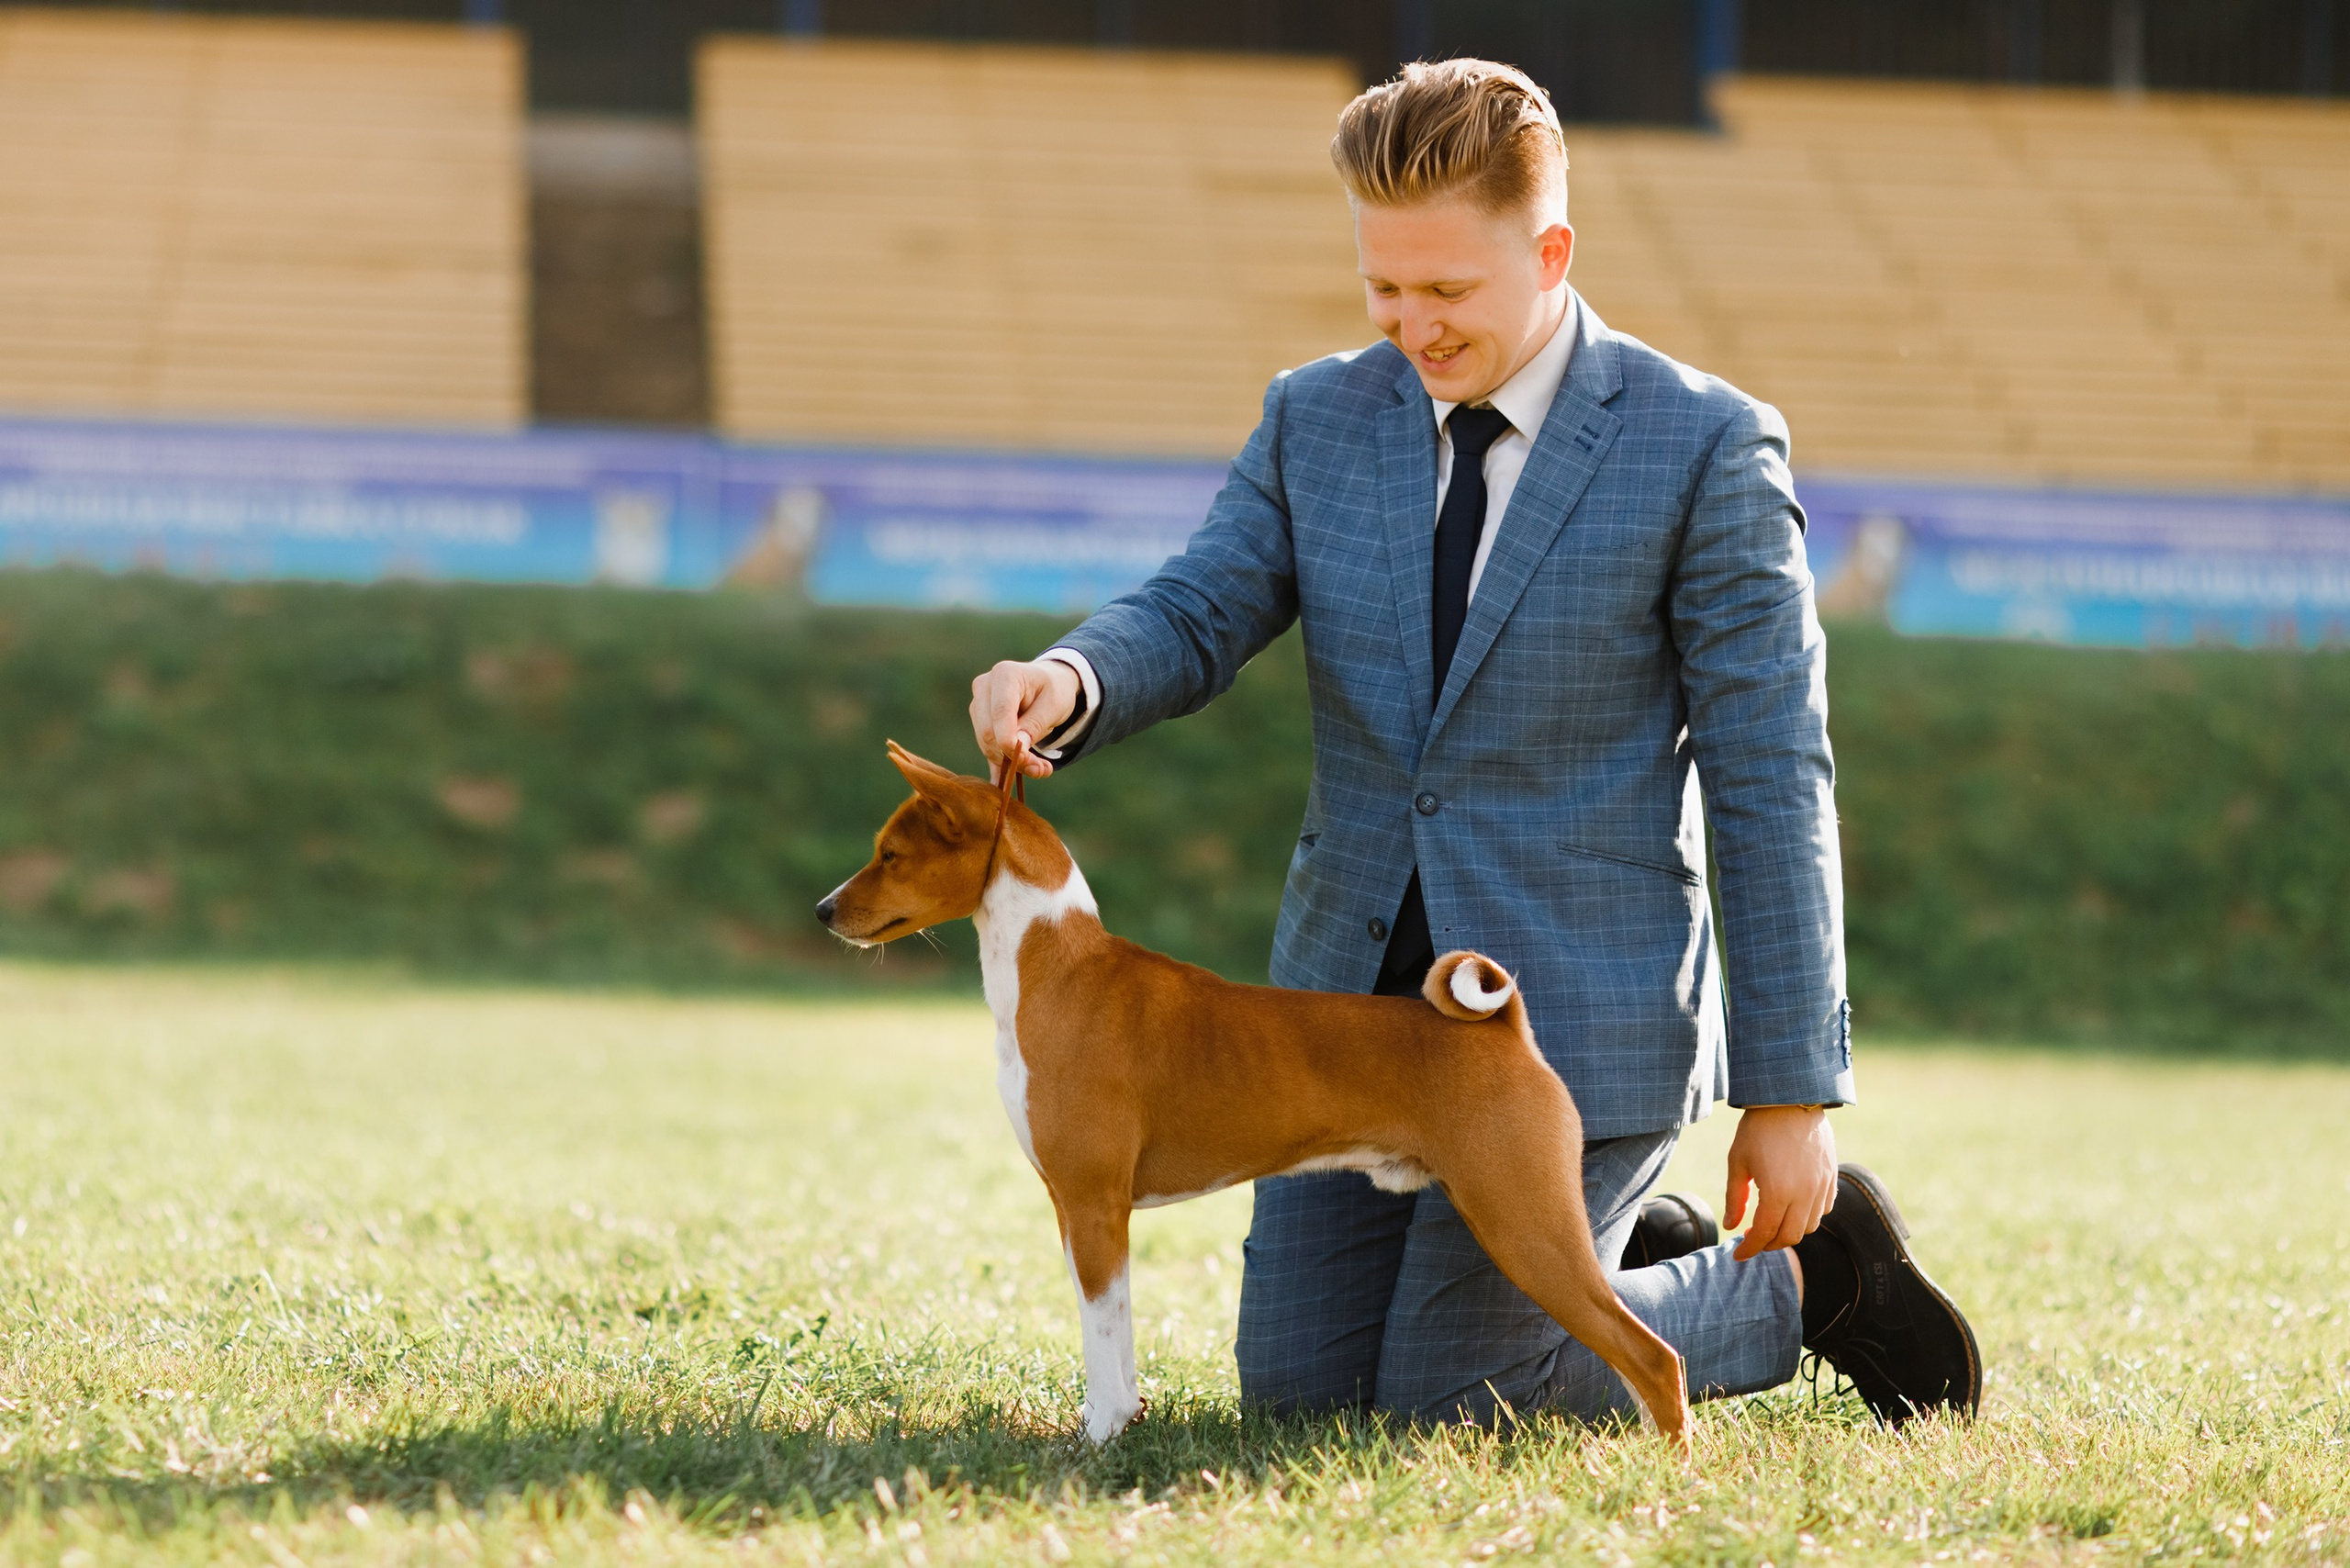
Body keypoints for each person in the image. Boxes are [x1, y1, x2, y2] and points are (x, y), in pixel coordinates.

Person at [966, 58, 1977, 1428]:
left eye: (1447, 293)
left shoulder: (1706, 446)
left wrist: (1791, 1091)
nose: (1410, 327)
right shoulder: (1314, 416)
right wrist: (1075, 676)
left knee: (1461, 1404)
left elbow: (1769, 777)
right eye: (1383, 288)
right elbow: (1201, 607)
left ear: (1551, 250)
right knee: (1305, 1408)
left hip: (1577, 1023)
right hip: (1339, 1022)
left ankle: (1802, 1282)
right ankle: (1626, 1251)